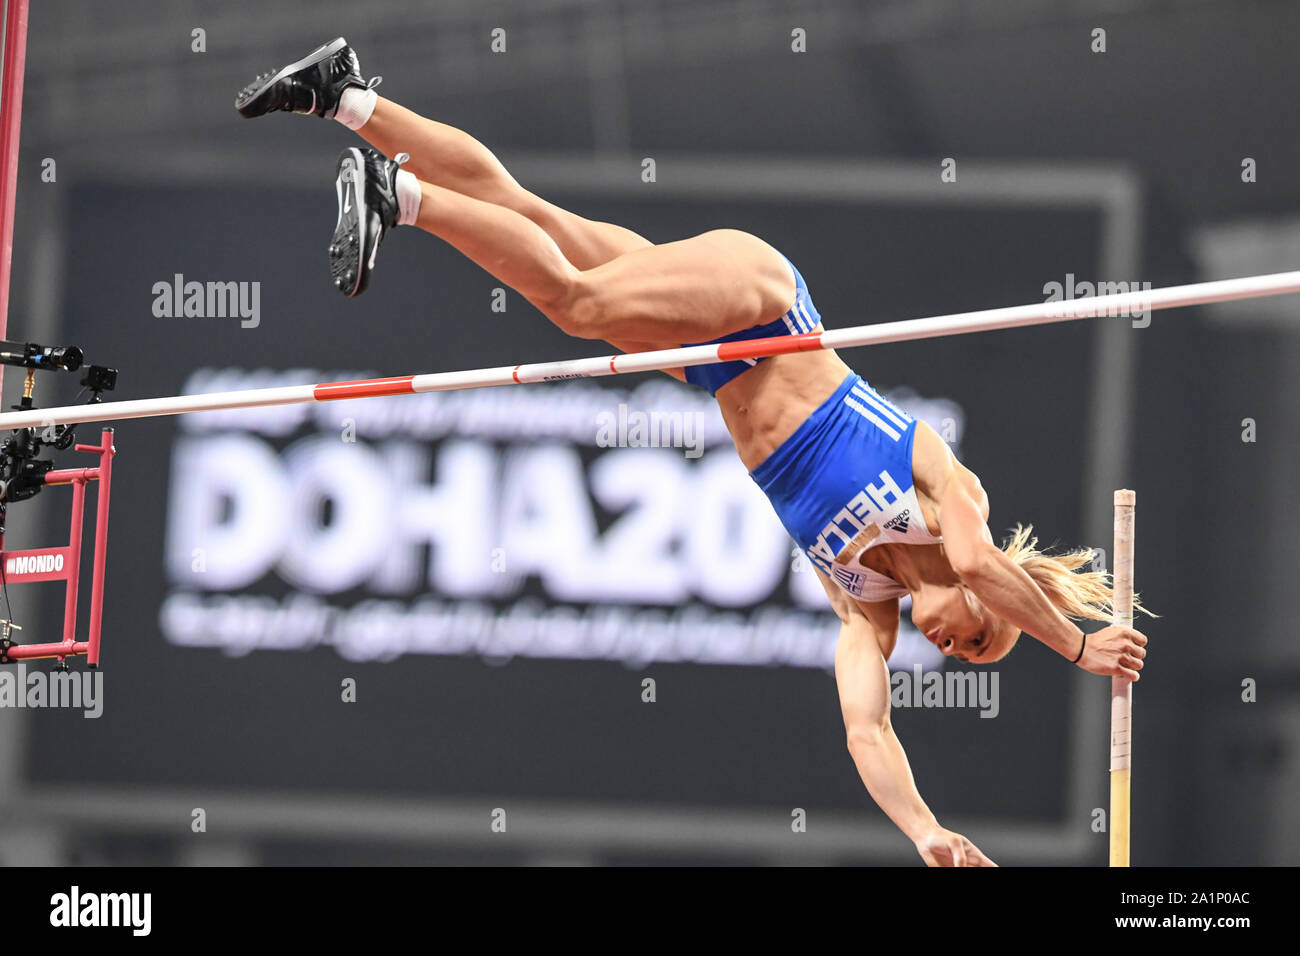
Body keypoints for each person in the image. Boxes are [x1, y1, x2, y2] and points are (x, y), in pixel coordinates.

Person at [236, 39, 1151, 867]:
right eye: (981, 638)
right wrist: (1075, 649)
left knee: (530, 215)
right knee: (581, 305)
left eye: (959, 654)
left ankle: (345, 96)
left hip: (719, 370)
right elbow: (985, 569)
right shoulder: (953, 499)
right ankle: (402, 198)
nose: (953, 643)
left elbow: (866, 731)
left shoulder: (863, 606)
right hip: (764, 307)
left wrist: (924, 832)